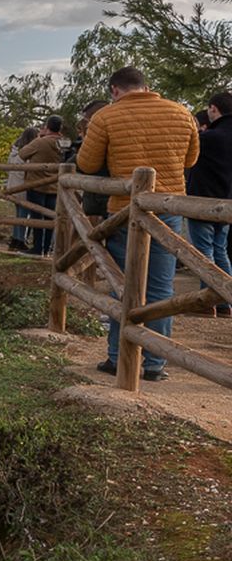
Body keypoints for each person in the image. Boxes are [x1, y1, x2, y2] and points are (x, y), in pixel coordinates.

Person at [78, 67, 200, 382]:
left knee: (125, 284)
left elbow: (87, 164)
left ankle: (119, 357)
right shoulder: (181, 113)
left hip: (124, 210)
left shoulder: (105, 117)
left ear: (114, 90)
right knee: (161, 286)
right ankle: (155, 363)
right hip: (168, 208)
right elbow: (190, 161)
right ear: (147, 86)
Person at [186, 90, 232, 316]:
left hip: (203, 200)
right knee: (220, 250)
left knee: (203, 252)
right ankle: (225, 301)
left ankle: (207, 301)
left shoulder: (209, 138)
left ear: (214, 109)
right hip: (228, 202)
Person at [16, 117, 67, 256]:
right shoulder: (64, 143)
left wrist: (40, 137)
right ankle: (47, 248)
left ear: (47, 126)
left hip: (36, 184)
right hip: (55, 185)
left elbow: (22, 154)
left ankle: (37, 248)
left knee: (36, 217)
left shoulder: (40, 142)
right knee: (51, 217)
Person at [6, 126, 39, 252]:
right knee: (24, 215)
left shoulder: (14, 150)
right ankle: (20, 239)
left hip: (13, 186)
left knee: (19, 214)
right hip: (23, 186)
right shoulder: (27, 152)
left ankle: (15, 238)